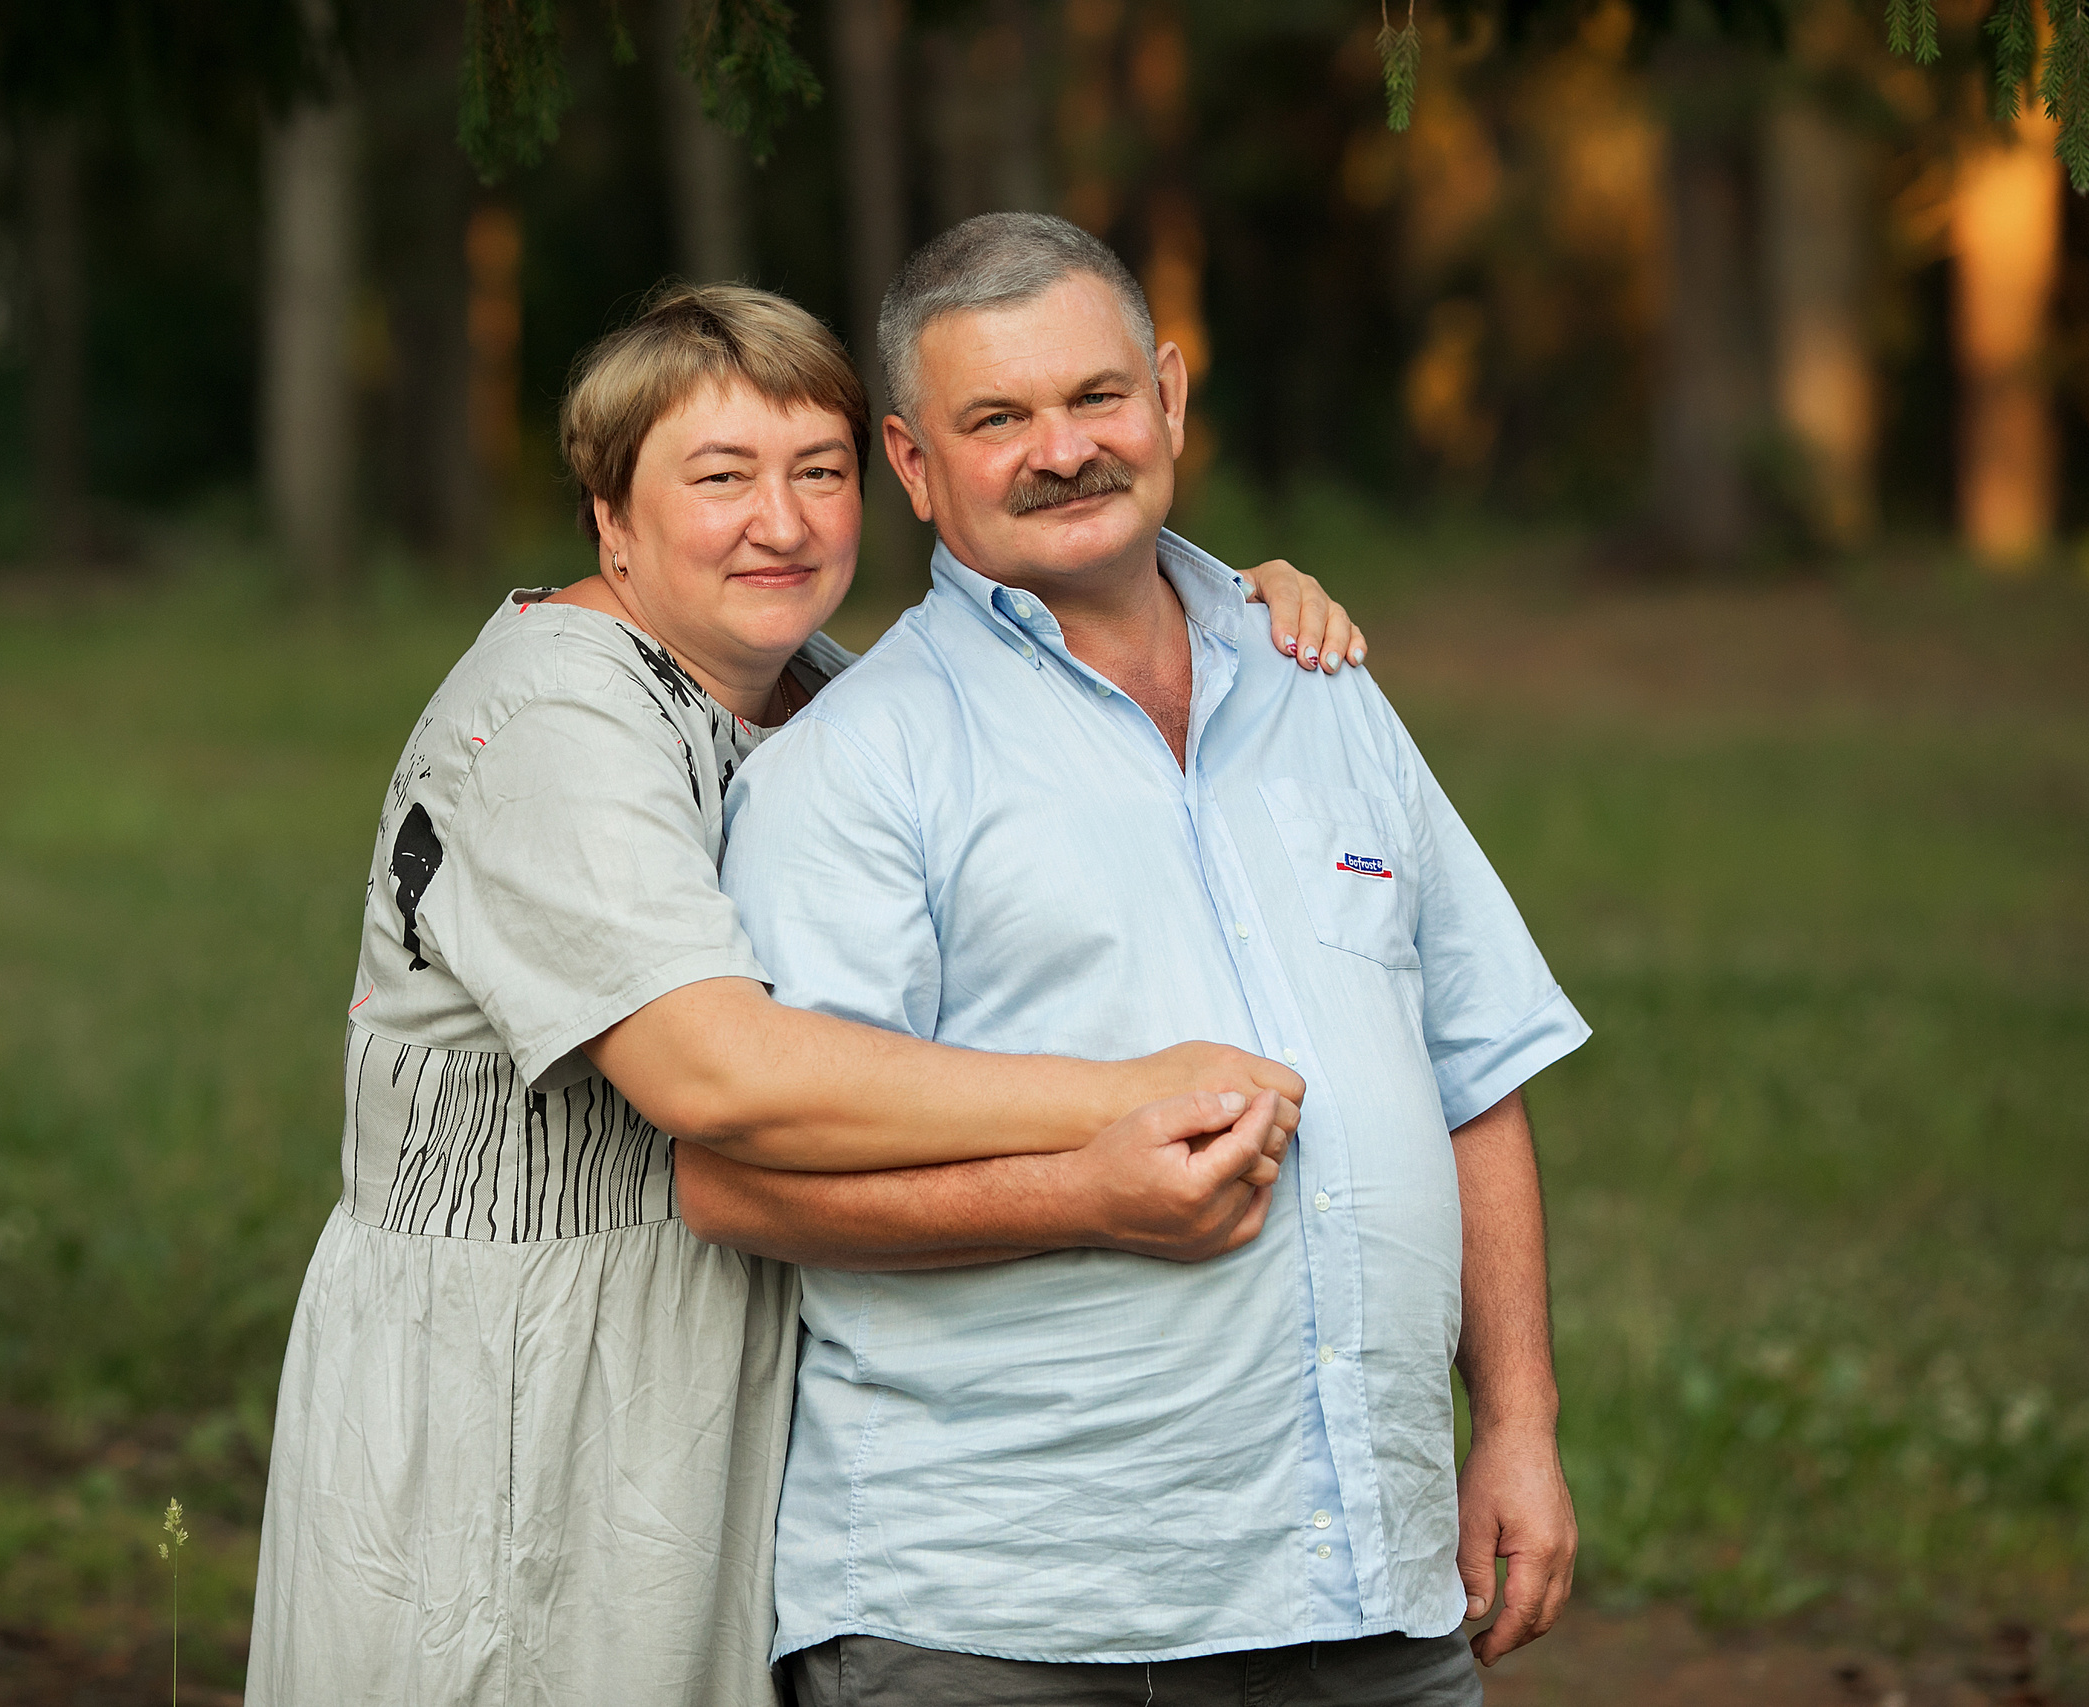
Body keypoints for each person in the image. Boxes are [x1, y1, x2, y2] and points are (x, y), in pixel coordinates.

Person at [245, 280, 1364, 1707]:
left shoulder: (813, 691)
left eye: (817, 472)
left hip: (715, 1339)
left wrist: (1223, 606)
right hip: (521, 1374)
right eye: (720, 479)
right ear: (611, 516)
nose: (780, 521)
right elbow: (717, 1073)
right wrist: (1121, 1100)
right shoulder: (551, 714)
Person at [698, 213, 1591, 1706]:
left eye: (1095, 397)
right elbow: (751, 1178)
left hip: (1369, 1587)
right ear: (914, 465)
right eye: (997, 419)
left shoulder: (1326, 690)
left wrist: (1516, 1426)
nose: (1063, 449)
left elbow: (1476, 1074)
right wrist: (1085, 1195)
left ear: (1168, 396)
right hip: (1016, 1617)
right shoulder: (855, 769)